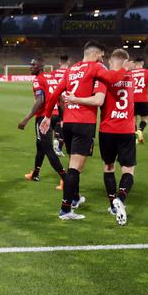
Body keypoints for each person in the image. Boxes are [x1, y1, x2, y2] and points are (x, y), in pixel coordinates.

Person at [39, 40, 129, 220]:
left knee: (75, 165)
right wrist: (125, 68)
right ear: (96, 54)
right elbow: (112, 78)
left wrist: (48, 116)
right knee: (75, 167)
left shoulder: (71, 70)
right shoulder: (95, 67)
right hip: (84, 123)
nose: (103, 59)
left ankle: (74, 199)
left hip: (68, 123)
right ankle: (66, 209)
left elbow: (55, 93)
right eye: (102, 55)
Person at [64, 49, 136, 226]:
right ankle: (121, 197)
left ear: (112, 62)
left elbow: (102, 95)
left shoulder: (104, 79)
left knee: (108, 167)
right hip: (126, 129)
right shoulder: (131, 79)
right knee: (128, 170)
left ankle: (113, 204)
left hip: (107, 130)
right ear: (125, 62)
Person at [18, 58, 66, 187]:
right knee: (40, 145)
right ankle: (35, 174)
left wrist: (26, 119)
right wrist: (63, 117)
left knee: (48, 148)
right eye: (30, 64)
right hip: (54, 115)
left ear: (41, 66)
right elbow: (60, 98)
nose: (30, 66)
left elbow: (40, 101)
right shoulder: (52, 78)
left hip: (44, 118)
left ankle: (65, 179)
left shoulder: (38, 80)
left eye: (33, 64)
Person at [130, 57, 148, 143]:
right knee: (144, 119)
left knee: (133, 119)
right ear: (142, 63)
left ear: (134, 63)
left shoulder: (130, 72)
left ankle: (135, 136)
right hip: (143, 100)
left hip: (131, 100)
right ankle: (140, 130)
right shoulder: (147, 72)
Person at [50, 54, 70, 157]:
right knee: (64, 123)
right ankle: (59, 145)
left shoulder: (53, 73)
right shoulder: (71, 72)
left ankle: (56, 142)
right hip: (67, 101)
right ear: (68, 62)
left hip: (56, 101)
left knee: (58, 122)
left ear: (59, 62)